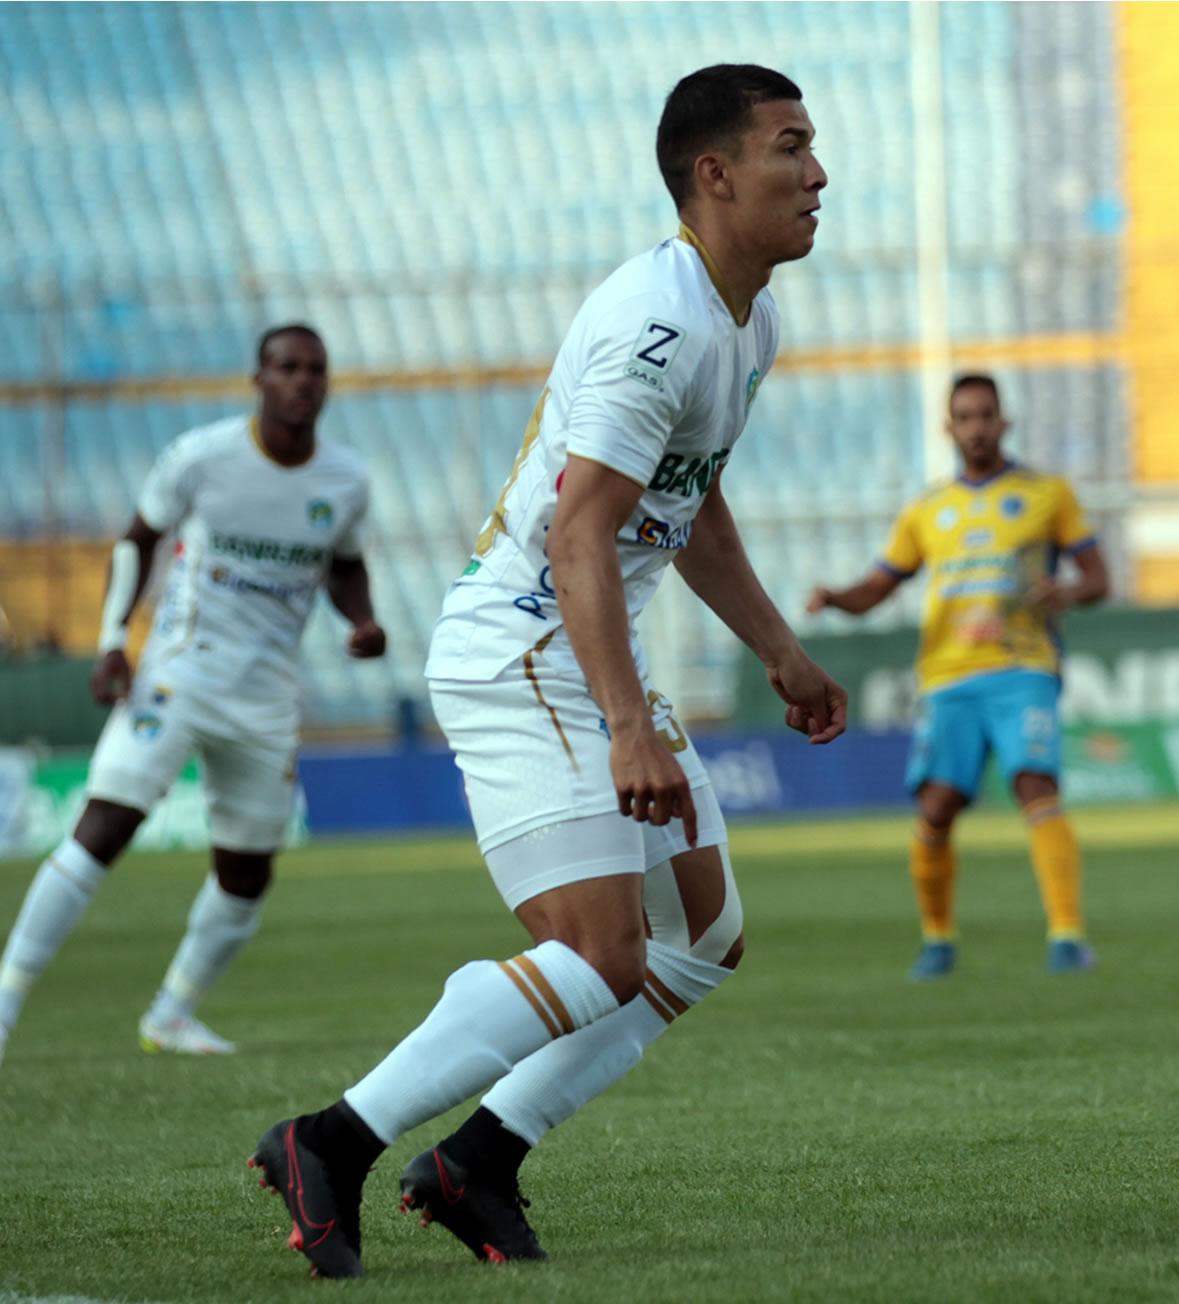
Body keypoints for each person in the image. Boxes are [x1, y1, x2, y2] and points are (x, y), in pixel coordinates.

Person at [249, 64, 844, 1279]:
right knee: (599, 950)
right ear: (714, 173)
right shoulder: (656, 322)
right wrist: (629, 723)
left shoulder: (749, 315)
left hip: (587, 646)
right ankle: (331, 1137)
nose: (820, 172)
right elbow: (579, 531)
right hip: (529, 647)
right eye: (792, 147)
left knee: (700, 937)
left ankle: (479, 1159)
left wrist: (778, 649)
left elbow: (689, 502)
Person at [0, 325, 386, 1066]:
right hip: (180, 674)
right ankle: (8, 1004)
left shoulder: (346, 480)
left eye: (315, 370)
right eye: (287, 368)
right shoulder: (203, 458)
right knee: (101, 830)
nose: (303, 381)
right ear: (258, 379)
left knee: (247, 873)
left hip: (267, 696)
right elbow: (137, 539)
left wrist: (363, 618)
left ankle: (171, 1014)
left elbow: (343, 564)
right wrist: (115, 638)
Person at [807, 373, 1109, 980]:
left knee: (1034, 784)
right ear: (949, 428)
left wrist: (1068, 592)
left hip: (1024, 667)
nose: (976, 426)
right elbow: (878, 585)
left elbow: (1100, 578)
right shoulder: (927, 509)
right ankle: (938, 939)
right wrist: (836, 597)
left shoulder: (1047, 493)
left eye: (986, 415)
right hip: (947, 677)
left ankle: (1067, 936)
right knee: (938, 806)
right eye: (965, 417)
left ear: (1004, 422)